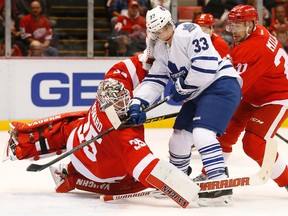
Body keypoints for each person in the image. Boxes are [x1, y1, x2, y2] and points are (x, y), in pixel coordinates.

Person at [3, 53, 200, 208]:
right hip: (96, 170)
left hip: (78, 143)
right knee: (131, 178)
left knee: (72, 123)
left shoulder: (104, 99)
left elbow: (122, 69)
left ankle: (24, 142)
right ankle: (72, 178)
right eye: (120, 102)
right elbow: (148, 167)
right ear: (108, 104)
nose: (124, 103)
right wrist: (184, 187)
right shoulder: (125, 137)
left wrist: (151, 56)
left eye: (125, 98)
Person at [127, 5, 242, 207]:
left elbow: (205, 66)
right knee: (178, 138)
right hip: (198, 92)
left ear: (170, 23)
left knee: (202, 134)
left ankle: (219, 182)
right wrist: (138, 103)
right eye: (157, 31)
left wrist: (184, 86)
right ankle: (177, 180)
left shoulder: (189, 32)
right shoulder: (161, 48)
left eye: (164, 28)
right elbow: (155, 80)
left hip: (220, 84)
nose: (162, 33)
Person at [196, 4, 288, 191]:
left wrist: (204, 99)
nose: (233, 30)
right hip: (255, 93)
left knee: (253, 143)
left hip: (277, 96)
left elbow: (233, 86)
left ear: (251, 24)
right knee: (224, 132)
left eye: (238, 25)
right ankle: (212, 173)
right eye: (232, 25)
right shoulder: (253, 33)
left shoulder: (254, 47)